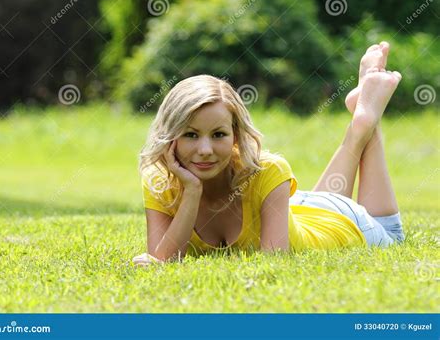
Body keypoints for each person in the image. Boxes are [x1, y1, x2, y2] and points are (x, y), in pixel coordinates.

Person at [133, 41, 405, 266]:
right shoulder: (160, 182)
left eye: (218, 135)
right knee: (321, 199)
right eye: (190, 135)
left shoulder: (268, 170)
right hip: (300, 209)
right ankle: (362, 111)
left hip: (339, 222)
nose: (205, 150)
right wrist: (192, 191)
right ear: (171, 137)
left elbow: (274, 263)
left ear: (236, 136)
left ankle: (367, 119)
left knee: (392, 235)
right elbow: (161, 260)